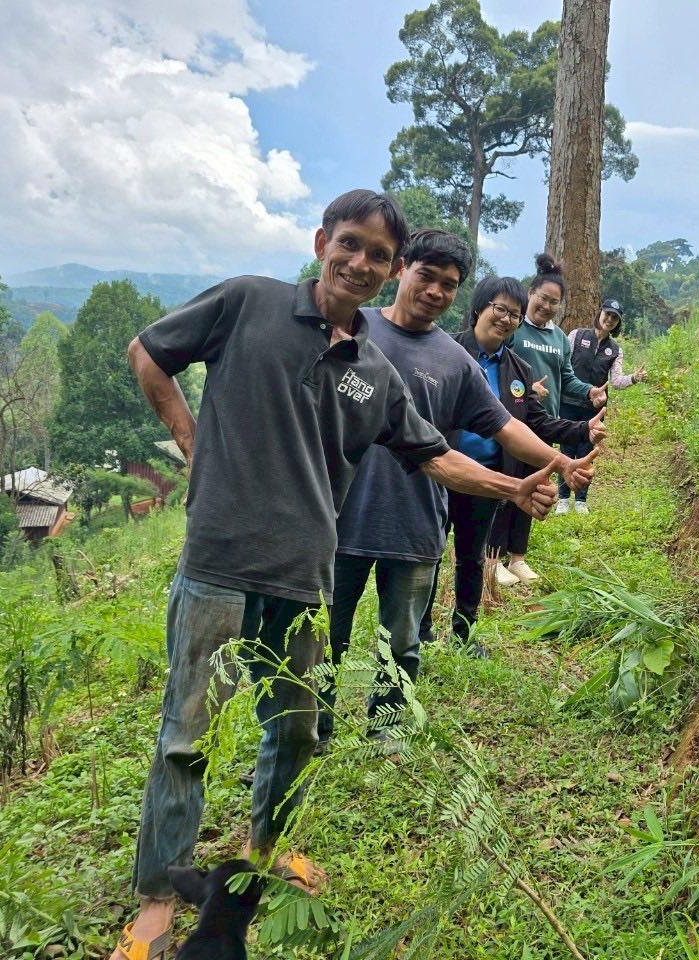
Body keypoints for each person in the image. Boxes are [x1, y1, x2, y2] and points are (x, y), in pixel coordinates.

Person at [112, 191, 559, 960]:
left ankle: (265, 847)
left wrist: (512, 487)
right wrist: (194, 443)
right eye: (349, 243)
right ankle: (158, 895)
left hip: (303, 577)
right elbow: (148, 353)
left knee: (294, 729)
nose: (359, 263)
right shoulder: (247, 303)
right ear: (322, 242)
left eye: (377, 255)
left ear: (389, 270)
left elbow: (435, 456)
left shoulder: (373, 372)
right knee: (187, 735)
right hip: (219, 564)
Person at [318, 231, 599, 751]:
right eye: (426, 276)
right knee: (322, 639)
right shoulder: (351, 328)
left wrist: (560, 461)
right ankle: (310, 734)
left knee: (402, 641)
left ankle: (388, 734)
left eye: (448, 284)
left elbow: (506, 426)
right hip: (337, 518)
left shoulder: (455, 361)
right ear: (401, 269)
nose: (435, 291)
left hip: (416, 520)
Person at [417, 275, 607, 656]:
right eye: (500, 309)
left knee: (473, 557)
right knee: (429, 554)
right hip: (439, 473)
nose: (506, 319)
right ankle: (419, 633)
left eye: (514, 315)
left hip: (487, 478)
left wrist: (581, 428)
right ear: (479, 309)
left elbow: (535, 421)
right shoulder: (445, 350)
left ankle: (465, 634)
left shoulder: (517, 370)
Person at [494, 253, 604, 583]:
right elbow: (498, 366)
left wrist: (589, 392)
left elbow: (566, 378)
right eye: (543, 298)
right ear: (530, 293)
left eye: (554, 302)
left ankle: (517, 558)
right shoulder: (514, 329)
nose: (547, 306)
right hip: (510, 424)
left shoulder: (559, 338)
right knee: (505, 488)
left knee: (534, 487)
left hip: (544, 426)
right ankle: (492, 557)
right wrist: (526, 389)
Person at [555, 297, 646, 515]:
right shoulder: (576, 335)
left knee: (586, 452)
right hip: (568, 403)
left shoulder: (615, 350)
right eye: (608, 314)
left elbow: (616, 381)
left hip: (593, 410)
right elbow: (562, 365)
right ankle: (563, 499)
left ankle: (581, 500)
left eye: (615, 318)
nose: (610, 319)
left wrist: (634, 378)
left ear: (618, 322)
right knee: (566, 450)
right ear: (600, 312)